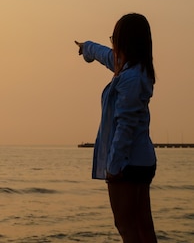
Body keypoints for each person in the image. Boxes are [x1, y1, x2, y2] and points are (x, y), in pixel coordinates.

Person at [75, 13, 157, 243]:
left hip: (127, 164)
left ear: (125, 43)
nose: (112, 44)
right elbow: (104, 55)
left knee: (126, 226)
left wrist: (113, 166)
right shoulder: (135, 69)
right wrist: (86, 48)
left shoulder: (130, 78)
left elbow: (125, 127)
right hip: (141, 161)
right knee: (143, 226)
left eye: (115, 39)